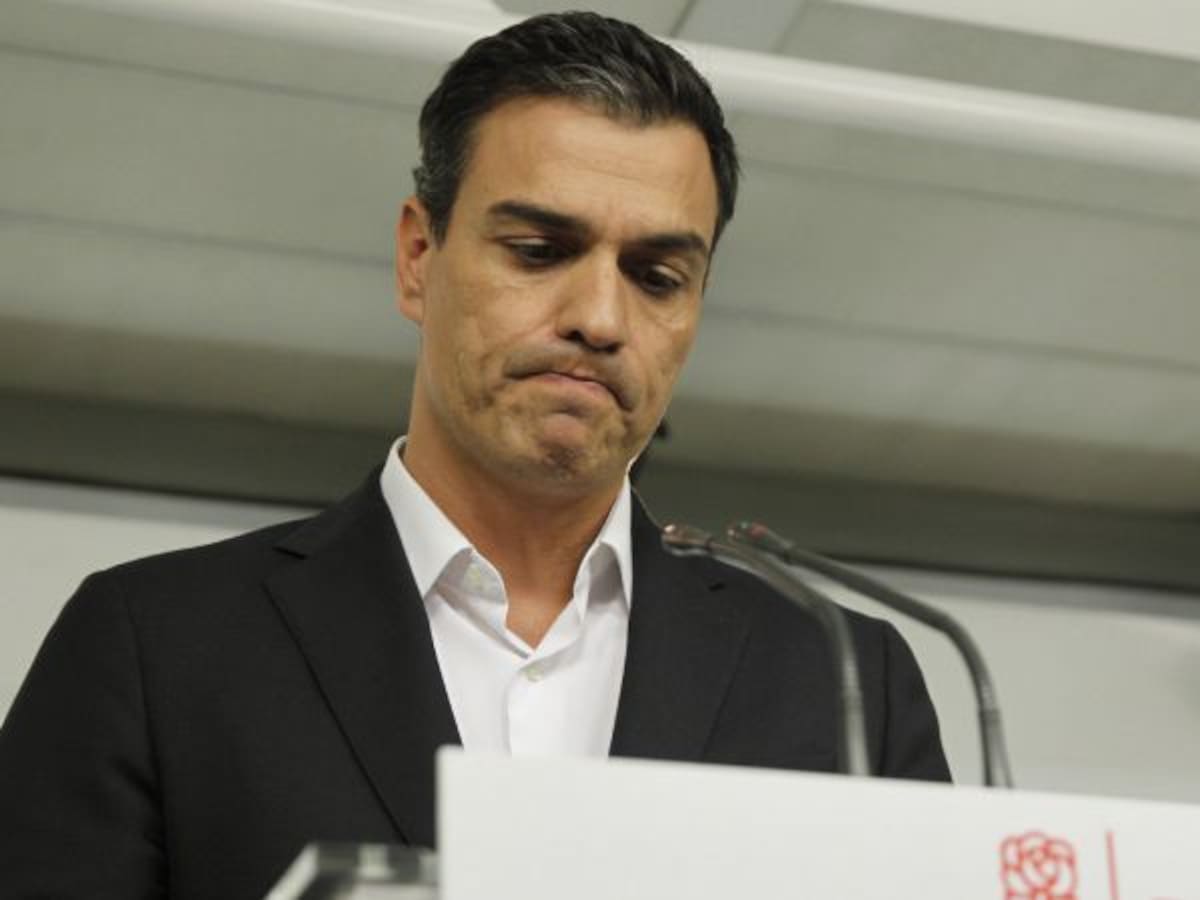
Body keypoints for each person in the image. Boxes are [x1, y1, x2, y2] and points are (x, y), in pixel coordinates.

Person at [0, 11, 949, 899]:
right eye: (538, 250)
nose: (600, 318)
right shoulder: (155, 645)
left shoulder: (845, 680)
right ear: (419, 258)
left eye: (658, 276)